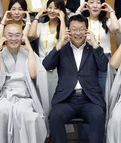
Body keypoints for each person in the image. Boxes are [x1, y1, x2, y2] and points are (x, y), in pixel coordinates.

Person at [0, 23, 49, 143]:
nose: (14, 38)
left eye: (17, 35)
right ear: (4, 37)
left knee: (26, 114)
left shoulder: (29, 54)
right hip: (4, 96)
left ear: (22, 36)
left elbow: (34, 74)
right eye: (10, 35)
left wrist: (30, 49)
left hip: (25, 97)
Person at [43, 14, 109, 143]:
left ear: (87, 31)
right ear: (68, 30)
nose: (78, 33)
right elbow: (46, 65)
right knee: (54, 117)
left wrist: (95, 45)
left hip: (89, 99)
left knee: (98, 115)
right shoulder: (62, 49)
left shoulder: (93, 49)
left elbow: (104, 67)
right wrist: (59, 44)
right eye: (74, 29)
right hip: (66, 99)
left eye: (81, 29)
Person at [76, 0, 121, 93]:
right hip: (87, 58)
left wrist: (111, 11)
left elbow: (116, 28)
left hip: (104, 57)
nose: (95, 6)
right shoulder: (83, 21)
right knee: (87, 90)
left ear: (102, 5)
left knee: (104, 89)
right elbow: (71, 27)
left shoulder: (106, 21)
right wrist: (79, 10)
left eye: (98, 2)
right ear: (86, 4)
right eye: (91, 3)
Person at [27, 0, 67, 100]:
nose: (52, 11)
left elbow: (63, 40)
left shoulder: (65, 27)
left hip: (58, 67)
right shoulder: (41, 25)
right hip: (41, 64)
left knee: (54, 95)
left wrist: (62, 19)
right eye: (50, 7)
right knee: (42, 96)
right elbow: (31, 36)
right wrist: (37, 16)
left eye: (56, 8)